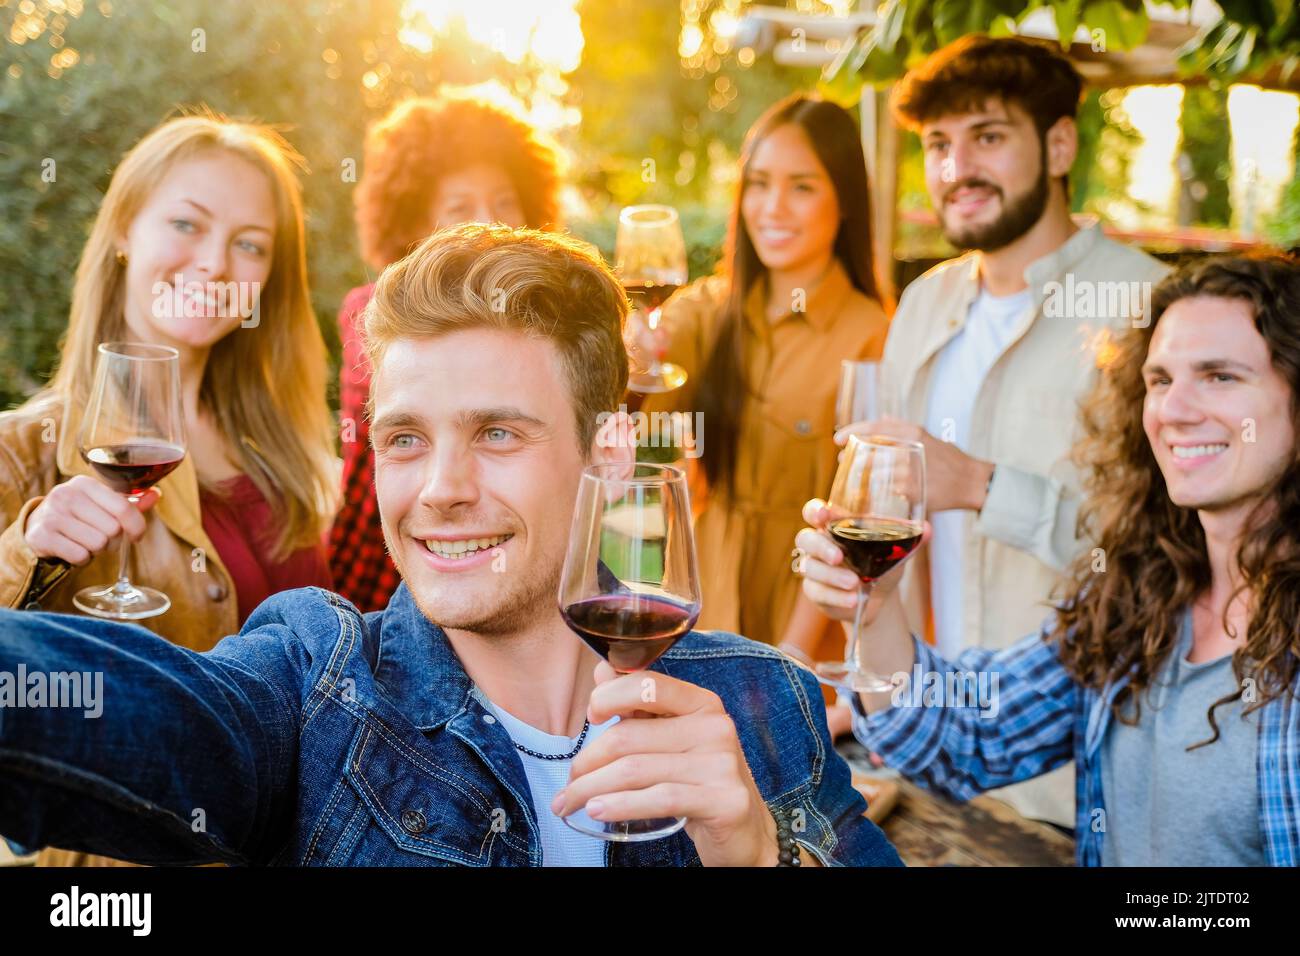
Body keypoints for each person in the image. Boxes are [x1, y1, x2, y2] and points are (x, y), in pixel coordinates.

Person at [0, 225, 902, 868]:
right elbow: (130, 717)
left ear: (609, 451)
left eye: (499, 434)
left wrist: (758, 858)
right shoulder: (315, 683)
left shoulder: (764, 701)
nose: (440, 490)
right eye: (404, 439)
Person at [796, 253, 1300, 865]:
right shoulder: (1139, 595)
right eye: (1161, 380)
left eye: (1220, 376)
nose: (1174, 410)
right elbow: (963, 738)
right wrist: (875, 609)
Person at [825, 35, 1170, 823]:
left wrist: (978, 486)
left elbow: (1172, 553)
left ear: (1058, 144)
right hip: (923, 750)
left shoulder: (1151, 304)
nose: (956, 169)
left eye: (987, 137)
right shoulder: (924, 303)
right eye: (938, 145)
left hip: (1074, 769)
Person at [0, 113, 339, 866]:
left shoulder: (285, 446)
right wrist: (26, 548)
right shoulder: (24, 449)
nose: (216, 264)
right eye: (188, 223)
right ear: (124, 229)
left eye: (250, 244)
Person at [641, 95, 890, 717]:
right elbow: (635, 405)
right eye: (758, 184)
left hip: (812, 603)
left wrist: (790, 659)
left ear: (843, 200)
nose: (772, 208)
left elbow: (852, 515)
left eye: (801, 187)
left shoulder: (872, 333)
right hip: (704, 589)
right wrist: (631, 349)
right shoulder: (705, 310)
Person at [332, 88, 563, 613]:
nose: (491, 221)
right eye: (460, 208)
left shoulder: (547, 317)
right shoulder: (371, 312)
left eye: (505, 202)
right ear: (413, 226)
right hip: (392, 559)